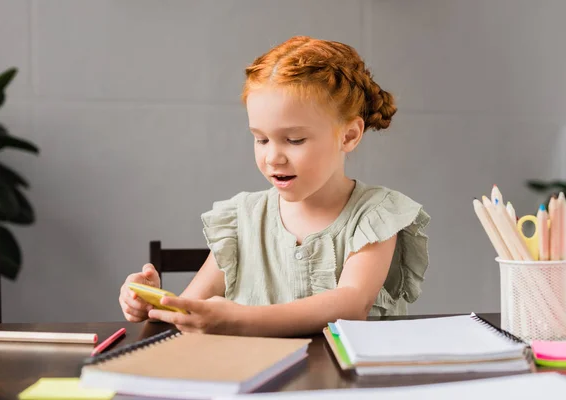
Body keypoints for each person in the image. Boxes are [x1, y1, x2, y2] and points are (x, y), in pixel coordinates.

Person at [119, 36, 430, 337]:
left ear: (348, 136)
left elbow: (351, 303)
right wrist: (156, 304)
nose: (272, 157)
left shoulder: (375, 216)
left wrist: (237, 320)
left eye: (294, 140)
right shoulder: (243, 218)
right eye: (261, 139)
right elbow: (192, 308)